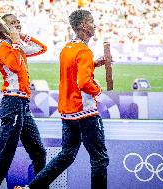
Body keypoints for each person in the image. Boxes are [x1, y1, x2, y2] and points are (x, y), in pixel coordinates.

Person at [15, 9, 109, 189]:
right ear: (83, 25)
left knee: (66, 155)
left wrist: (93, 64)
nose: (94, 25)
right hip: (85, 112)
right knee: (99, 159)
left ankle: (31, 188)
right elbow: (84, 83)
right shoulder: (84, 51)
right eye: (91, 22)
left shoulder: (67, 48)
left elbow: (72, 72)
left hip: (68, 112)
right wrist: (98, 89)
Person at [0, 14, 47, 189]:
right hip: (12, 102)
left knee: (39, 152)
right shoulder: (4, 48)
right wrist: (14, 42)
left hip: (23, 104)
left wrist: (20, 37)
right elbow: (13, 66)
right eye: (12, 23)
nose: (17, 24)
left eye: (18, 22)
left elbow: (42, 48)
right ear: (3, 29)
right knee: (6, 153)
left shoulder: (17, 46)